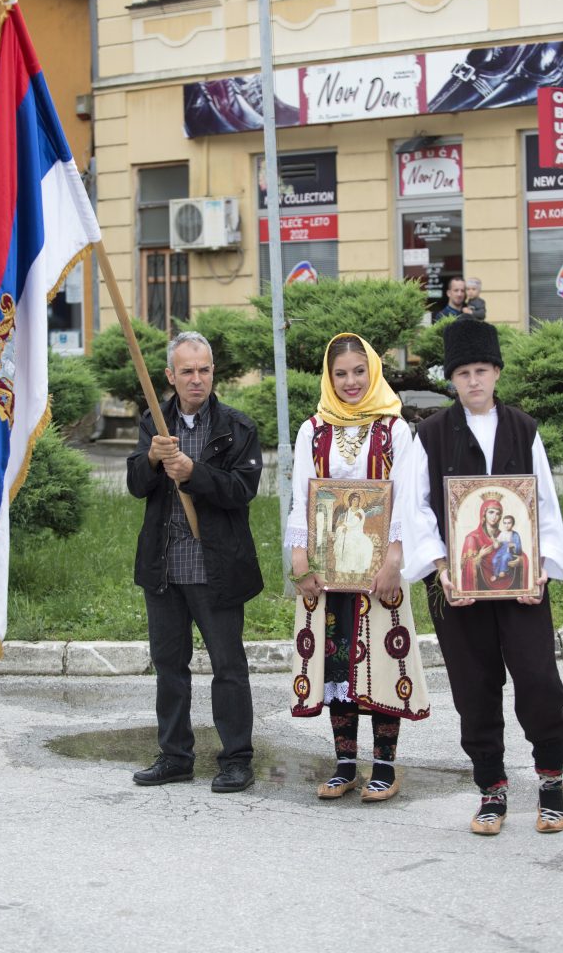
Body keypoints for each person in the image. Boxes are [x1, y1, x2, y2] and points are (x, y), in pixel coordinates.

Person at [402, 317, 563, 835]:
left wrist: (542, 568)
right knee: (474, 687)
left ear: (496, 372)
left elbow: (543, 503)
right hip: (457, 586)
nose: (473, 381)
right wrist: (440, 567)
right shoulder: (430, 434)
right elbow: (416, 507)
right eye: (463, 373)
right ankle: (491, 790)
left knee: (539, 681)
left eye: (481, 370)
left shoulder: (523, 428)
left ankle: (551, 782)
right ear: (451, 379)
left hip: (522, 584)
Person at [286, 333, 430, 803]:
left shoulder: (395, 429)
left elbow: (406, 499)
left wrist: (394, 559)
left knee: (382, 659)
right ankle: (345, 764)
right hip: (328, 568)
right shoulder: (313, 430)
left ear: (373, 371)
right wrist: (300, 556)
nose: (351, 381)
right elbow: (302, 494)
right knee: (336, 658)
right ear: (329, 378)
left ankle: (384, 766)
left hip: (379, 568)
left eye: (358, 371)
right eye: (340, 374)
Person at [127, 331, 263, 794]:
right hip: (164, 567)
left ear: (213, 372)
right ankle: (174, 756)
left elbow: (242, 490)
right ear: (171, 376)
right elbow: (136, 485)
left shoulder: (237, 427)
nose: (197, 379)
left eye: (204, 370)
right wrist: (150, 459)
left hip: (216, 567)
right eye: (187, 371)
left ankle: (237, 759)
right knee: (169, 666)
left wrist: (193, 473)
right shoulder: (154, 420)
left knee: (228, 667)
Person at [332, 492, 374, 575]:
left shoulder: (360, 512)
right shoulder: (349, 510)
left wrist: (344, 525)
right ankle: (343, 568)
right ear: (350, 500)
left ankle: (352, 568)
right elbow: (346, 521)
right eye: (354, 500)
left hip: (357, 532)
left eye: (357, 500)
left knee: (352, 544)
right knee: (341, 536)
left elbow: (354, 522)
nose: (355, 502)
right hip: (348, 530)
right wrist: (344, 527)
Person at [489, 513, 524, 583]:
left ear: (513, 524)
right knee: (494, 560)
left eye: (509, 523)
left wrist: (513, 545)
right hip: (501, 550)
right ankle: (496, 574)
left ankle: (502, 571)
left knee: (505, 558)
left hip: (509, 552)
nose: (506, 525)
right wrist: (494, 540)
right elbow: (497, 544)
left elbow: (519, 547)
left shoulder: (515, 534)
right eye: (505, 523)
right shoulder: (502, 533)